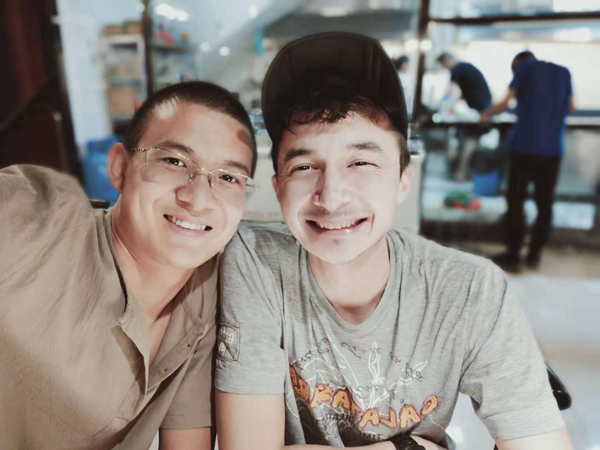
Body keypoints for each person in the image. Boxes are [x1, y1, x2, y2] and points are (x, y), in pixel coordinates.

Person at [214, 32, 573, 450]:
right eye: (305, 166)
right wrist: (407, 447)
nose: (331, 197)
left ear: (404, 179)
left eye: (361, 162)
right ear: (277, 186)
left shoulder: (469, 290)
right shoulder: (255, 262)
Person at [0, 81, 257, 449]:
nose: (198, 198)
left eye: (228, 177)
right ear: (120, 167)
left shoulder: (202, 300)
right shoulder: (39, 218)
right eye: (174, 161)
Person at [480, 51, 575, 272]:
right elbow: (571, 107)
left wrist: (485, 115)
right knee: (545, 203)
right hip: (553, 150)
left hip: (524, 147)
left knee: (516, 202)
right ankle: (534, 255)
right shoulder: (564, 72)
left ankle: (513, 255)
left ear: (517, 64)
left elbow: (505, 102)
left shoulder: (524, 67)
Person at [437, 53, 493, 180]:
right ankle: (468, 175)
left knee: (469, 141)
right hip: (484, 109)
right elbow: (465, 92)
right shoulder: (465, 68)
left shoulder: (457, 68)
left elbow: (450, 91)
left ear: (448, 60)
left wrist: (442, 103)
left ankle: (461, 175)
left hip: (481, 112)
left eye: (444, 66)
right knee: (471, 141)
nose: (446, 69)